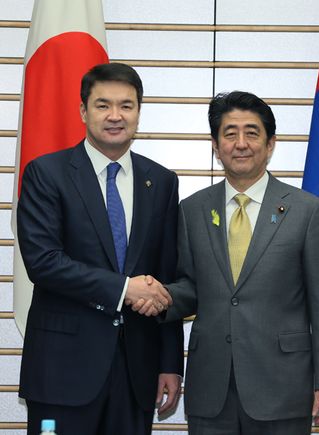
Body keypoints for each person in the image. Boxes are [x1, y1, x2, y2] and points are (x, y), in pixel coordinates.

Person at [132, 91, 319, 434]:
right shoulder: (192, 209)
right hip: (211, 388)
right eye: (230, 134)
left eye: (252, 132)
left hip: (283, 387)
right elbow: (190, 286)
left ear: (270, 143)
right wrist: (161, 297)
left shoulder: (307, 211)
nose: (241, 143)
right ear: (216, 145)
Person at [17, 63, 184, 435]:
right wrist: (125, 289)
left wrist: (170, 363)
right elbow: (44, 262)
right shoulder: (46, 173)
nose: (115, 116)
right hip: (62, 372)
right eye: (103, 104)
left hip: (136, 374)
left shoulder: (161, 181)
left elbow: (166, 277)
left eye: (126, 106)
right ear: (83, 111)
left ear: (139, 111)